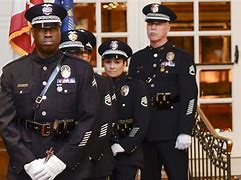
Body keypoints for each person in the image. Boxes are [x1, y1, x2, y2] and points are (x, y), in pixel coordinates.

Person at [0, 3, 99, 180]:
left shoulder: (81, 69)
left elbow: (89, 119)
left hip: (70, 164)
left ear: (60, 30)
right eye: (41, 29)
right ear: (32, 32)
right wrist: (28, 162)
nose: (47, 33)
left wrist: (61, 160)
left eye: (53, 28)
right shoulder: (12, 72)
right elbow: (6, 123)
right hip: (26, 164)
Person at [128, 3, 198, 180]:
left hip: (172, 131)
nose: (153, 27)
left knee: (178, 176)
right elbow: (133, 97)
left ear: (168, 27)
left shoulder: (182, 58)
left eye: (158, 24)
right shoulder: (137, 58)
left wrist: (185, 130)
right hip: (146, 131)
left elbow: (189, 96)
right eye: (150, 23)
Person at [59, 29, 115, 180]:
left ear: (89, 56)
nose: (75, 59)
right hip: (62, 158)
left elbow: (105, 124)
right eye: (70, 55)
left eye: (81, 55)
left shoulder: (102, 83)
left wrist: (89, 154)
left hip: (94, 158)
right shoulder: (57, 84)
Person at [99, 40, 149, 180]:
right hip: (103, 151)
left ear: (125, 63)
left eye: (117, 62)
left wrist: (123, 146)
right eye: (108, 62)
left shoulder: (137, 87)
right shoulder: (97, 86)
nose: (112, 66)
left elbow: (141, 123)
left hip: (127, 152)